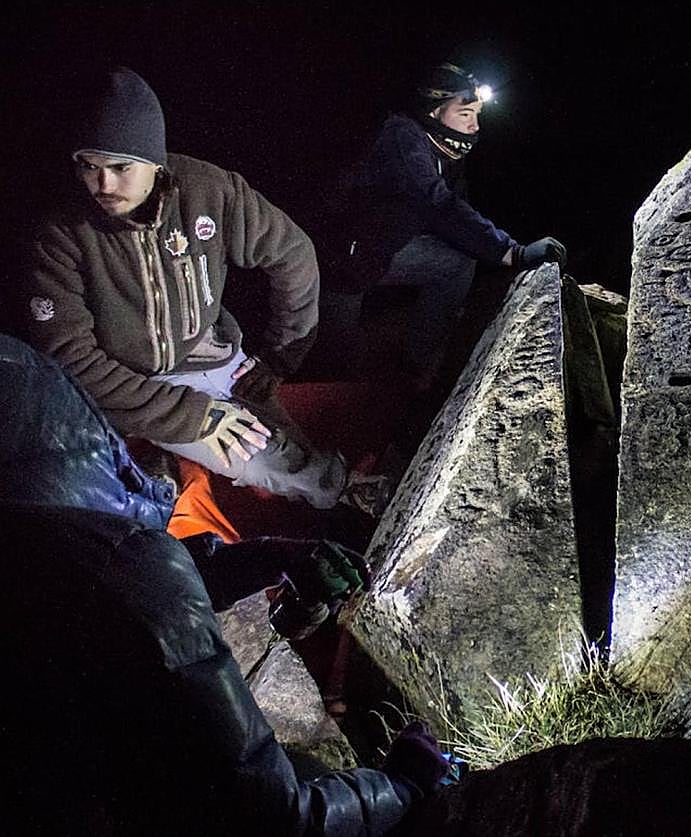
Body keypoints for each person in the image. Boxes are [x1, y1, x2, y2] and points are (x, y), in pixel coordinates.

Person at [0, 333, 451, 835]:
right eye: (111, 455)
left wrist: (266, 559)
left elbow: (95, 590)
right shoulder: (122, 566)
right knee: (307, 775)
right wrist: (405, 782)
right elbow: (275, 818)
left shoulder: (37, 553)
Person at [19, 66, 386, 513]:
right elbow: (71, 359)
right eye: (89, 167)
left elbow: (292, 253)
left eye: (120, 167)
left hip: (214, 352)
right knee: (264, 456)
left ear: (155, 160)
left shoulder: (208, 190)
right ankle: (353, 497)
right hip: (139, 383)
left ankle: (338, 489)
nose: (104, 185)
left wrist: (281, 353)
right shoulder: (60, 233)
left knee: (286, 436)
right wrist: (191, 416)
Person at [325, 61, 566, 385]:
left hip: (383, 252)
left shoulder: (444, 153)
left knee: (456, 263)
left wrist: (499, 254)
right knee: (336, 368)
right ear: (434, 112)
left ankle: (414, 363)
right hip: (339, 264)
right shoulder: (402, 135)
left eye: (477, 116)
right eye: (465, 114)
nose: (474, 126)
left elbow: (459, 212)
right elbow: (438, 205)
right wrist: (513, 252)